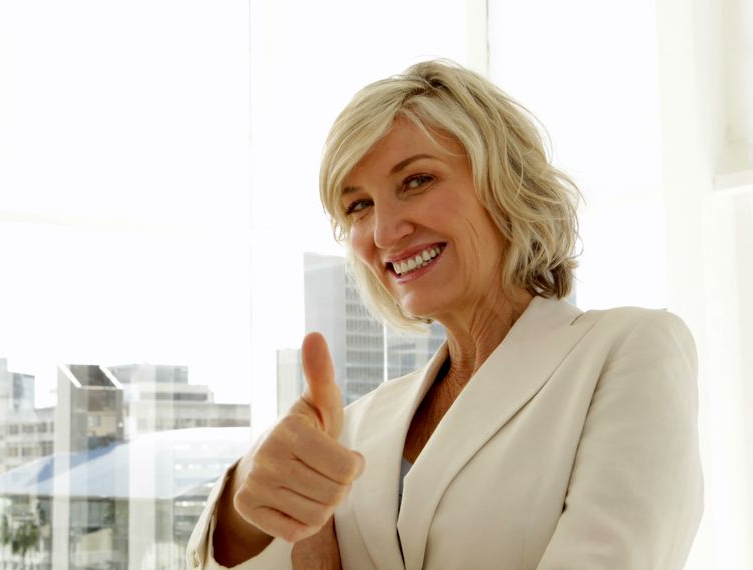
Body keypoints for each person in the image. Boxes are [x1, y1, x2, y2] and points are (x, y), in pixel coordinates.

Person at [184, 60, 703, 569]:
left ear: (506, 184)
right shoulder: (351, 428)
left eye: (416, 181)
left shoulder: (631, 349)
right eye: (359, 205)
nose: (386, 233)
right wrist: (244, 503)